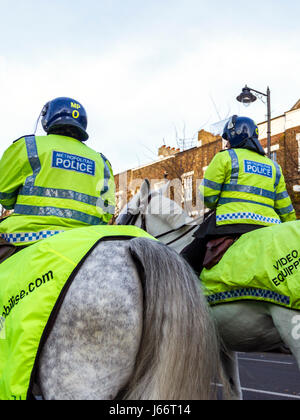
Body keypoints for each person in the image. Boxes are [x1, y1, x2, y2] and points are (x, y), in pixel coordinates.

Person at [0, 97, 115, 260]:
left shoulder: (27, 147)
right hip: (88, 242)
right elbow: (107, 212)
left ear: (47, 119)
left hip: (25, 237)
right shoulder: (102, 162)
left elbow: (5, 197)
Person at [181, 115, 296, 274]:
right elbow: (285, 209)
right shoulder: (274, 167)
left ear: (236, 135)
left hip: (228, 225)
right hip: (269, 229)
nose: (227, 143)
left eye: (228, 138)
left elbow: (208, 197)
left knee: (185, 261)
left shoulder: (225, 157)